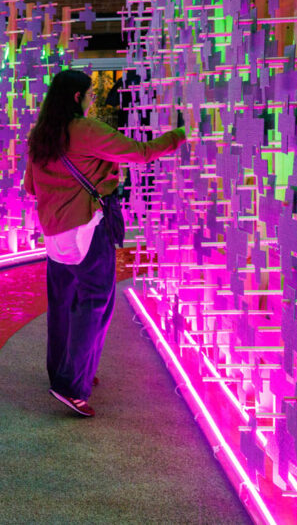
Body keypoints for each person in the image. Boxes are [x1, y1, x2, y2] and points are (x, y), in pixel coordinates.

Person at [23, 69, 185, 417]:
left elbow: (31, 188)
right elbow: (141, 153)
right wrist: (180, 136)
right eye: (90, 93)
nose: (93, 99)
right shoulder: (86, 131)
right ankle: (72, 386)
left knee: (63, 305)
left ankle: (62, 373)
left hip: (53, 236)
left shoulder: (41, 136)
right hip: (86, 229)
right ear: (77, 97)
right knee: (96, 303)